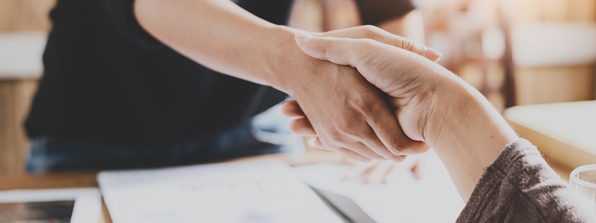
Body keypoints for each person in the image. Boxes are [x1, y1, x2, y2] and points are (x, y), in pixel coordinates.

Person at [132, 0, 596, 223]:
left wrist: (402, 101)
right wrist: (432, 104)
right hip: (109, 113)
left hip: (252, 123)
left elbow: (392, 9)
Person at [24, 0, 435, 175]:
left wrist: (396, 117)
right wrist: (294, 63)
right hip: (93, 135)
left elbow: (390, 11)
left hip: (254, 126)